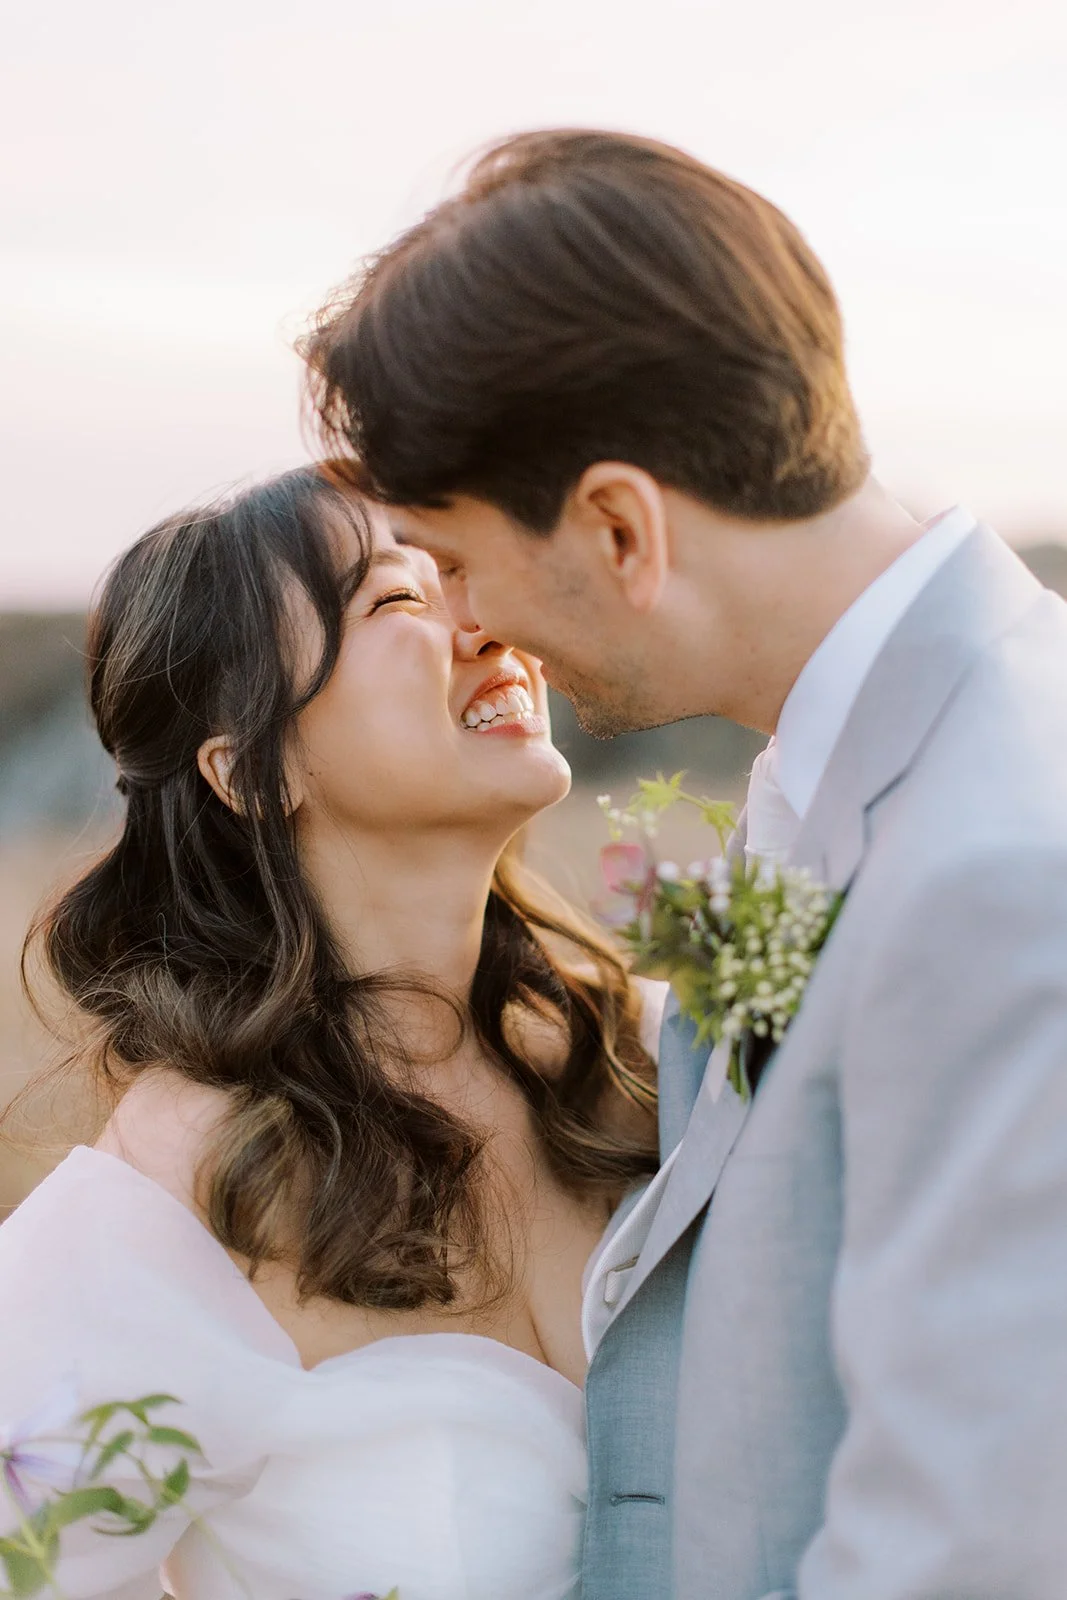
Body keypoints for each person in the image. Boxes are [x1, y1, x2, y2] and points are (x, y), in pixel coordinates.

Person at [302, 128, 1067, 1599]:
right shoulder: (861, 767)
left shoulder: (995, 870)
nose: (465, 619)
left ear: (615, 528)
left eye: (445, 558)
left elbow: (977, 1548)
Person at [0, 465, 664, 1599]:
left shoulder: (645, 1061)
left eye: (464, 577)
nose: (486, 624)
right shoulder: (185, 1189)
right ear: (250, 769)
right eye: (399, 601)